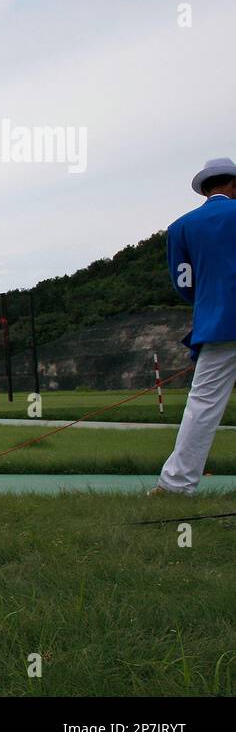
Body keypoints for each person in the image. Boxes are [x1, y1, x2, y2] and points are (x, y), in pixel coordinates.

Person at [155, 157, 236, 496]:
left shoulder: (181, 227)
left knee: (202, 406)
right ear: (232, 184)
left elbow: (183, 283)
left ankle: (176, 485)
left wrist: (210, 302)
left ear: (205, 188)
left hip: (216, 324)